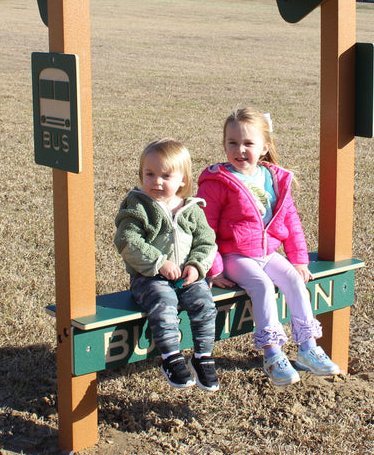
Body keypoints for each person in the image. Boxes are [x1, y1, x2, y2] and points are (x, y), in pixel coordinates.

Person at [197, 108, 339, 386]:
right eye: (232, 142)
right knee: (261, 285)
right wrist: (214, 269)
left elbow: (291, 221)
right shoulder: (217, 181)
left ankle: (308, 348)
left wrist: (299, 260)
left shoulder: (273, 178)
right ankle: (272, 355)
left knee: (294, 281)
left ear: (264, 147)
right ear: (224, 145)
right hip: (234, 256)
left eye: (248, 143)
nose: (240, 150)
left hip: (267, 253)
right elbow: (205, 228)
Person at [114, 138, 220, 391]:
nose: (156, 182)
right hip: (149, 277)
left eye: (165, 175)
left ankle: (203, 356)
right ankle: (170, 357)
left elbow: (207, 242)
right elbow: (126, 240)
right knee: (164, 303)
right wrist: (159, 262)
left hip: (187, 276)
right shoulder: (138, 206)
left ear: (182, 179)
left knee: (205, 304)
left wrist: (196, 266)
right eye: (149, 174)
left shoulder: (192, 209)